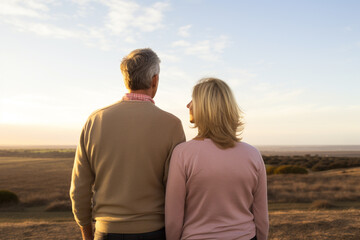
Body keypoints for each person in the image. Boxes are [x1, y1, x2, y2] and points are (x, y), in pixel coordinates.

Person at [70, 48, 186, 240]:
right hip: (155, 232)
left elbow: (79, 188)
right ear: (154, 80)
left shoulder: (95, 120)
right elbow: (176, 190)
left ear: (126, 79)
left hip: (105, 231)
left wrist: (87, 234)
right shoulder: (172, 125)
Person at [165, 78, 269, 240]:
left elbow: (174, 216)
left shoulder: (183, 153)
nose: (188, 105)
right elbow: (261, 215)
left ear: (204, 107)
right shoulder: (252, 154)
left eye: (193, 100)